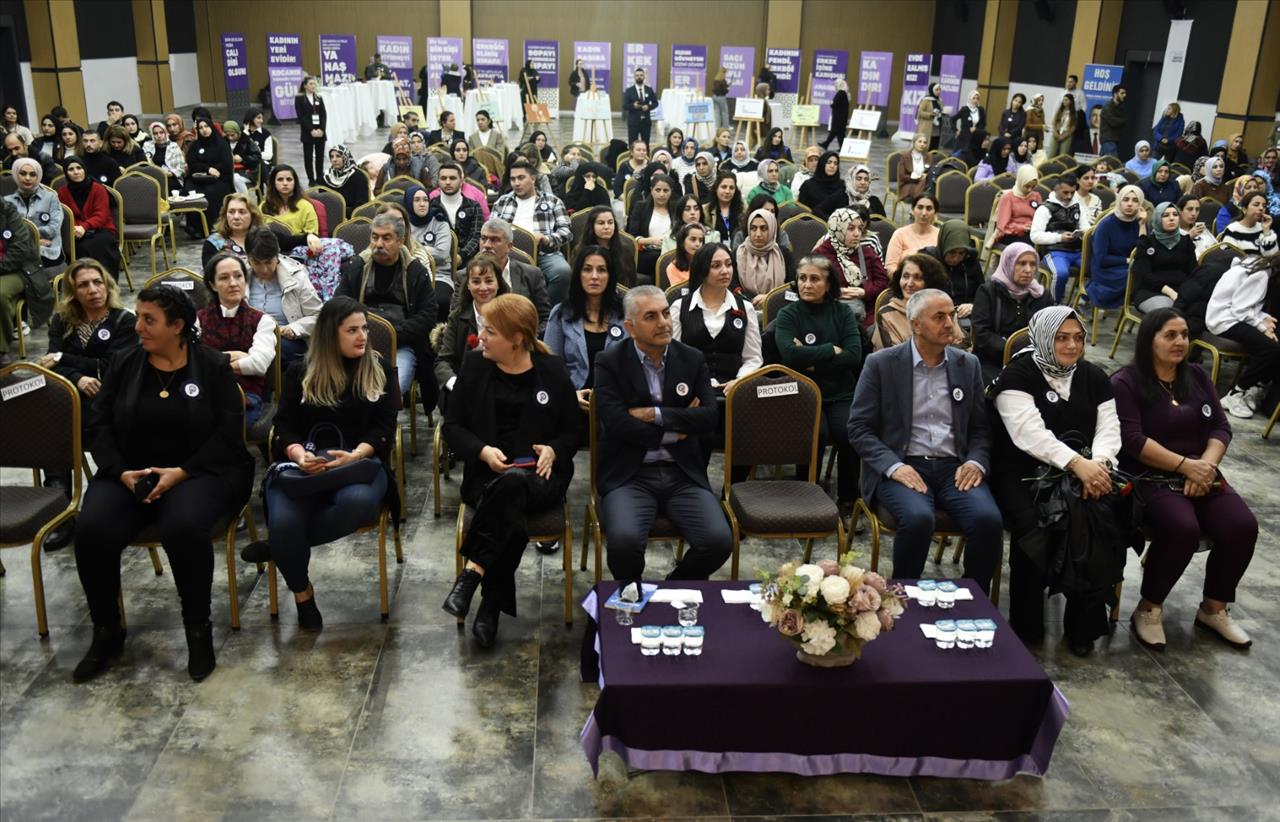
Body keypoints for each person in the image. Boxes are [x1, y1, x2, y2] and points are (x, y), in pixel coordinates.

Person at [71, 286, 253, 682]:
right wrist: (120, 471)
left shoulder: (211, 367)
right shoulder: (124, 363)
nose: (138, 327)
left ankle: (198, 629)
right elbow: (97, 424)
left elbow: (227, 436)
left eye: (148, 320)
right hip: (131, 472)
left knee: (183, 527)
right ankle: (106, 630)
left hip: (200, 471)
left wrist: (180, 473)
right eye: (137, 317)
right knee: (91, 529)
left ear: (178, 326)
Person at [240, 296, 399, 629]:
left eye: (365, 329)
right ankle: (302, 593)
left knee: (355, 504)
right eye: (352, 330)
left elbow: (385, 427)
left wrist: (356, 454)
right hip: (305, 467)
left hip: (359, 465)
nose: (362, 337)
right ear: (330, 334)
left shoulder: (379, 368)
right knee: (284, 524)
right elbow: (282, 426)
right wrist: (298, 453)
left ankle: (282, 548)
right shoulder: (301, 370)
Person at [1111, 308, 1256, 649]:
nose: (1180, 342)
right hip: (1150, 477)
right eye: (1170, 335)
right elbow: (1132, 439)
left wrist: (1204, 465)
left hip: (1201, 472)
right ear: (1150, 340)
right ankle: (1149, 608)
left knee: (1242, 526)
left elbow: (1221, 426)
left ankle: (1213, 608)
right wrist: (1183, 466)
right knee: (1182, 529)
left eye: (1184, 335)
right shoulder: (1126, 382)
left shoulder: (1196, 375)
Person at [441, 293, 580, 645]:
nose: (480, 337)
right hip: (487, 474)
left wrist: (554, 449)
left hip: (542, 476)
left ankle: (473, 573)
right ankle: (489, 604)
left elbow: (573, 431)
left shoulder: (552, 370)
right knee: (510, 508)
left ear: (517, 339)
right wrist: (483, 451)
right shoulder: (474, 366)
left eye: (490, 331)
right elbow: (452, 426)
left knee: (516, 484)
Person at [989, 306, 1123, 655]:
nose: (1071, 346)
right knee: (1036, 522)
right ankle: (1027, 623)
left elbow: (1109, 429)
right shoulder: (1017, 375)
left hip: (1088, 470)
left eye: (1078, 338)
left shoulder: (1094, 376)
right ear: (1044, 339)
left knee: (1101, 517)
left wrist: (1100, 465)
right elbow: (1029, 434)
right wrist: (1077, 464)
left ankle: (1083, 626)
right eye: (1062, 338)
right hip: (1022, 471)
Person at [849, 287, 1002, 591]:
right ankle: (902, 597)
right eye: (939, 317)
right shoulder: (882, 364)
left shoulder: (966, 364)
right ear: (916, 325)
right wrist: (894, 467)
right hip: (902, 464)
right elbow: (859, 428)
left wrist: (975, 461)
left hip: (952, 466)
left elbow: (980, 429)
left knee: (988, 520)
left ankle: (972, 599)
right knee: (919, 519)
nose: (950, 323)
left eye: (952, 315)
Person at [594, 285, 733, 580]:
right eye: (651, 316)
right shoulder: (610, 362)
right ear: (630, 327)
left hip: (682, 472)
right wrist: (679, 426)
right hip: (629, 475)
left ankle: (671, 589)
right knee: (624, 543)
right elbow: (616, 423)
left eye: (666, 313)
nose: (664, 322)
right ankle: (631, 600)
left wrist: (654, 415)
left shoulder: (691, 358)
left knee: (719, 541)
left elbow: (709, 417)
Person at [38, 258, 137, 546]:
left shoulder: (124, 320)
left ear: (107, 284)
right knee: (57, 413)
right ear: (73, 291)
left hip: (113, 400)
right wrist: (78, 377)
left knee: (65, 419)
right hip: (74, 400)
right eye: (83, 285)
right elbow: (49, 363)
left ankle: (105, 501)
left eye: (97, 282)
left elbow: (111, 367)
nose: (93, 289)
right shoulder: (62, 320)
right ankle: (62, 512)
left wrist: (65, 360)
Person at [774, 255, 863, 510]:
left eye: (815, 279)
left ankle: (848, 499)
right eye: (802, 278)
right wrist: (831, 350)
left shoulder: (843, 312)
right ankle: (806, 492)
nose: (807, 284)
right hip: (800, 391)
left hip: (839, 392)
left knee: (848, 433)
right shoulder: (788, 313)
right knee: (816, 433)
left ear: (828, 284)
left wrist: (811, 359)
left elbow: (854, 356)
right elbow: (789, 355)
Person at [335, 212, 436, 397]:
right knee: (343, 388)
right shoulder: (357, 267)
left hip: (401, 344)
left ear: (400, 240)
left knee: (389, 391)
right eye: (375, 237)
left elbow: (428, 315)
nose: (379, 244)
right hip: (358, 342)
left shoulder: (415, 271)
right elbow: (338, 305)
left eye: (386, 238)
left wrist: (392, 334)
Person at [198, 251, 277, 428]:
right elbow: (189, 362)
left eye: (238, 276)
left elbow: (258, 364)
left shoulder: (262, 320)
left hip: (246, 396)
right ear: (212, 284)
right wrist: (239, 357)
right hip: (204, 393)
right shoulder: (198, 320)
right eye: (224, 278)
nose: (233, 283)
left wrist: (213, 362)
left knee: (223, 422)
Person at [544, 244, 628, 408]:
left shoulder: (626, 313)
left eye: (602, 270)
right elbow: (551, 367)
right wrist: (570, 395)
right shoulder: (561, 313)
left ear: (610, 276)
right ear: (578, 274)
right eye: (587, 269)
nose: (594, 276)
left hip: (618, 401)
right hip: (572, 399)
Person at [491, 159, 573, 305]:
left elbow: (566, 231)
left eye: (521, 178)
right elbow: (489, 231)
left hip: (544, 253)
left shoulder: (552, 201)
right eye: (513, 179)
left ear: (533, 179)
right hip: (509, 254)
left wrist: (548, 239)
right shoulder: (502, 202)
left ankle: (546, 312)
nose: (516, 183)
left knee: (563, 272)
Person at [971, 242, 1054, 384]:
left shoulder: (1041, 295)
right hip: (993, 360)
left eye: (1033, 264)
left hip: (1032, 360)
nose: (1028, 270)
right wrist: (1012, 350)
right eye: (1021, 263)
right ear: (1008, 263)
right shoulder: (989, 292)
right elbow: (981, 334)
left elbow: (1048, 333)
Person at [1208, 255, 1280, 418]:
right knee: (1270, 348)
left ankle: (1255, 388)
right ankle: (1235, 394)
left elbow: (1247, 304)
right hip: (1223, 319)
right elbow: (1240, 310)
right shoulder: (1262, 274)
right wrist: (1262, 327)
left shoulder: (1259, 264)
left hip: (1229, 314)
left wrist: (1263, 317)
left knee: (1273, 338)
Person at [243, 226, 322, 368]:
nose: (264, 269)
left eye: (268, 262)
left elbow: (318, 316)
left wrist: (295, 328)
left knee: (272, 350)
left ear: (277, 256)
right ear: (248, 258)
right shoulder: (238, 276)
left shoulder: (297, 277)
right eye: (256, 263)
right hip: (250, 337)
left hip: (286, 340)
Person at [433, 254, 510, 395]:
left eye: (489, 281)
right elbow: (443, 362)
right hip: (464, 389)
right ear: (468, 285)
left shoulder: (511, 315)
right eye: (476, 281)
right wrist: (456, 384)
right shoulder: (457, 317)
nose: (483, 287)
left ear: (498, 283)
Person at [812, 207, 888, 329]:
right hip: (828, 311)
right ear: (838, 229)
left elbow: (883, 281)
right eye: (851, 228)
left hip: (865, 313)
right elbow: (809, 285)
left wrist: (865, 292)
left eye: (860, 228)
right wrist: (834, 292)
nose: (857, 233)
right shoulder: (820, 255)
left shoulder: (867, 253)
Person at [873, 252, 961, 351]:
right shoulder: (887, 315)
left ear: (930, 282)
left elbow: (962, 344)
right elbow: (894, 357)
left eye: (917, 278)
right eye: (905, 276)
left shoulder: (946, 310)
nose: (909, 284)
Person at [56, 156, 119, 278]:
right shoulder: (63, 192)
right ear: (66, 173)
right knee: (76, 246)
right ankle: (83, 282)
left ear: (84, 169)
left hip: (102, 229)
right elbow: (65, 216)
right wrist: (75, 228)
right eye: (71, 169)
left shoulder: (98, 189)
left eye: (79, 168)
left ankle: (105, 281)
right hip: (75, 231)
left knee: (94, 246)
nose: (76, 172)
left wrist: (84, 227)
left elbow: (101, 215)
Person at [1029, 173, 1088, 301]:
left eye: (1072, 192)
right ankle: (1054, 304)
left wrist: (1084, 233)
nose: (1069, 196)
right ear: (1055, 190)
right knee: (1061, 273)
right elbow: (1035, 236)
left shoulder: (1078, 207)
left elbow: (1086, 227)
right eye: (1065, 192)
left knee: (1096, 267)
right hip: (1054, 251)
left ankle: (1083, 302)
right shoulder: (1044, 209)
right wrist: (1059, 237)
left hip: (1077, 250)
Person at [1087, 185, 1146, 309]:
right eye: (1126, 200)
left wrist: (1142, 225)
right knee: (1137, 275)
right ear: (1119, 201)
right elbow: (1101, 259)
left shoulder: (1140, 223)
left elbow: (1143, 254)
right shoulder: (1106, 225)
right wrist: (1127, 261)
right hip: (1105, 270)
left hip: (1130, 267)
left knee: (1145, 273)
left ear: (1140, 204)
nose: (1130, 204)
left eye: (1135, 201)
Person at [1132, 202, 1197, 313]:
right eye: (1165, 215)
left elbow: (1193, 272)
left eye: (1175, 215)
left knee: (1200, 309)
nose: (1172, 218)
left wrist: (1187, 292)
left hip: (1181, 291)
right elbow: (1143, 275)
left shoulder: (1185, 242)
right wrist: (1169, 292)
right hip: (1151, 291)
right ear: (1157, 219)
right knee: (1167, 313)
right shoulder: (1147, 243)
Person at [5, 157, 63, 269]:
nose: (27, 178)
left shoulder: (51, 198)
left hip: (47, 251)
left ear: (38, 177)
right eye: (23, 173)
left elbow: (53, 229)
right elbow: (6, 232)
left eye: (32, 174)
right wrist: (34, 239)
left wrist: (22, 237)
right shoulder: (7, 201)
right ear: (16, 175)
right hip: (16, 250)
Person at [0, 198, 38, 366]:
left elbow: (21, 248)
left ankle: (1, 349)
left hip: (13, 270)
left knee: (0, 294)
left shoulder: (8, 212)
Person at [922, 219, 983, 323]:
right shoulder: (928, 261)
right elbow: (921, 297)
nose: (956, 258)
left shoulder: (971, 262)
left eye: (961, 253)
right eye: (951, 253)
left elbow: (982, 293)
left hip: (966, 315)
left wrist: (973, 305)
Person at [735, 208, 794, 308]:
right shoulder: (738, 254)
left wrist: (769, 297)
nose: (758, 234)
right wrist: (754, 300)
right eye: (753, 228)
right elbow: (732, 288)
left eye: (763, 228)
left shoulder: (783, 254)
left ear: (772, 229)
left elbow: (793, 290)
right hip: (745, 308)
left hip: (778, 308)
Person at [184, 116, 233, 233]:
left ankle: (212, 226)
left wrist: (214, 170)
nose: (204, 130)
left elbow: (226, 164)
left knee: (210, 192)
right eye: (200, 128)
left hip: (219, 179)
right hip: (198, 179)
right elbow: (192, 162)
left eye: (206, 126)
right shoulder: (195, 145)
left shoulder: (222, 144)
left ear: (211, 127)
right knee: (189, 191)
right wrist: (207, 168)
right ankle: (195, 228)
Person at [430, 162, 485, 266]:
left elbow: (477, 236)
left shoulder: (473, 206)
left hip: (468, 261)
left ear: (461, 181)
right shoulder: (431, 206)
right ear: (438, 181)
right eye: (443, 178)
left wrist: (462, 256)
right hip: (437, 261)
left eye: (452, 178)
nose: (447, 182)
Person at [885, 194, 940, 276]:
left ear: (935, 212)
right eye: (920, 207)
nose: (924, 213)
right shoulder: (900, 234)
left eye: (929, 208)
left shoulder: (940, 235)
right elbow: (890, 267)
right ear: (913, 210)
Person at [261, 164, 319, 237]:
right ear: (274, 183)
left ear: (295, 183)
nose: (285, 183)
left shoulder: (306, 206)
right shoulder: (264, 206)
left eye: (289, 179)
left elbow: (312, 235)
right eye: (280, 179)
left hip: (298, 246)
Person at [992, 165, 1042, 246]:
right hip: (1011, 234)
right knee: (1029, 244)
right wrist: (1021, 227)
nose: (1029, 190)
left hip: (1032, 231)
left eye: (1033, 187)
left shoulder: (1036, 196)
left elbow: (1040, 216)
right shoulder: (1008, 197)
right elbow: (1002, 226)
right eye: (1027, 186)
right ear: (1020, 181)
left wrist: (1034, 226)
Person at [1219, 192, 1277, 258]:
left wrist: (1266, 231)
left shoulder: (1263, 228)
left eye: (1264, 206)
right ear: (1244, 209)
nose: (1261, 208)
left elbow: (1273, 258)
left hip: (1265, 267)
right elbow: (1228, 260)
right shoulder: (1232, 230)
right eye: (1256, 205)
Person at [294, 76, 327, 187]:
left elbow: (323, 115)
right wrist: (311, 130)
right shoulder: (299, 99)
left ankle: (319, 177)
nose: (313, 86)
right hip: (308, 132)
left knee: (320, 156)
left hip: (320, 132)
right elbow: (301, 117)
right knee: (308, 156)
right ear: (305, 86)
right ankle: (311, 178)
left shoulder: (318, 98)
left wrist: (322, 129)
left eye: (314, 84)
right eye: (311, 84)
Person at [321, 144, 368, 219]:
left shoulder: (358, 176)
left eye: (338, 156)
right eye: (331, 157)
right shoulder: (326, 176)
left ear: (345, 157)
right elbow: (322, 201)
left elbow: (362, 205)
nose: (334, 159)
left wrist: (341, 212)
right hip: (329, 217)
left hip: (352, 218)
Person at [703, 170, 744, 243]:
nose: (727, 191)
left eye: (731, 188)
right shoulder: (705, 210)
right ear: (716, 188)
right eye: (724, 187)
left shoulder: (743, 208)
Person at [143, 120, 186, 188]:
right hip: (152, 177)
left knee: (163, 184)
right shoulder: (147, 146)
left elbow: (181, 168)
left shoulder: (173, 146)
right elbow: (144, 164)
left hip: (171, 177)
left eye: (161, 132)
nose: (159, 136)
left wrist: (170, 174)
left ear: (165, 133)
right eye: (155, 133)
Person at [623, 67, 658, 146]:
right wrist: (633, 106)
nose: (639, 77)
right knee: (632, 144)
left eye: (641, 75)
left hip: (646, 122)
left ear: (644, 77)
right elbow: (625, 105)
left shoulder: (649, 89)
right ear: (634, 77)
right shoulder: (629, 90)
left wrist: (648, 107)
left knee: (646, 144)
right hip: (633, 122)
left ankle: (647, 158)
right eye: (637, 75)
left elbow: (655, 103)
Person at [1099, 85, 1127, 158]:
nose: (1124, 95)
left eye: (1125, 93)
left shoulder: (1121, 108)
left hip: (1115, 140)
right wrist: (1121, 121)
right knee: (1113, 164)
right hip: (1108, 139)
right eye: (1122, 93)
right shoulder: (1107, 106)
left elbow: (1124, 121)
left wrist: (1120, 121)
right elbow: (1113, 122)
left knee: (1102, 163)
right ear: (1115, 94)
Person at [1044, 95, 1075, 159]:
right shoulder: (1059, 110)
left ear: (1071, 101)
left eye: (1066, 100)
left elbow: (1073, 127)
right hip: (1056, 133)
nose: (1064, 101)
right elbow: (1054, 122)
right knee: (1050, 154)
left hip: (1066, 135)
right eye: (1063, 100)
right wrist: (1055, 133)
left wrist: (1064, 136)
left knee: (1062, 156)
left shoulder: (1074, 113)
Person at [918, 83, 945, 151]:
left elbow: (941, 111)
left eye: (940, 89)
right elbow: (920, 113)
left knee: (934, 146)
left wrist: (943, 113)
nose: (939, 91)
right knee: (926, 146)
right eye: (937, 90)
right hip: (927, 127)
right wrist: (930, 114)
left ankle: (932, 160)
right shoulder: (926, 100)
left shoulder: (940, 101)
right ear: (932, 90)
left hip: (937, 128)